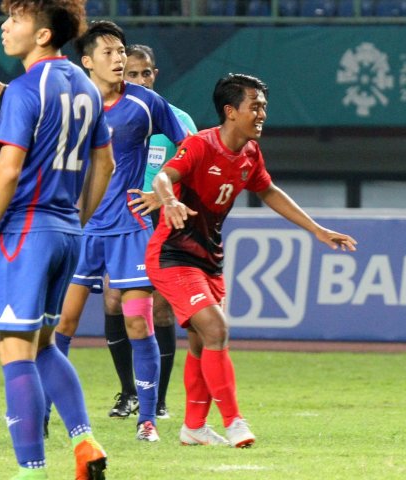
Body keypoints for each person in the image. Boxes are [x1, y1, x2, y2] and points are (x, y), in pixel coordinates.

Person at [147, 73, 358, 447]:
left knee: (201, 343)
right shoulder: (199, 145)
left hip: (210, 259)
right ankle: (234, 422)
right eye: (255, 106)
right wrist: (169, 200)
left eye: (263, 106)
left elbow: (269, 191)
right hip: (173, 255)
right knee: (216, 329)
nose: (262, 113)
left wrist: (316, 230)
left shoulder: (249, 153)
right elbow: (164, 177)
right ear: (230, 111)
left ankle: (193, 427)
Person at [0, 1, 114, 478]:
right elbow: (104, 163)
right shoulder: (87, 87)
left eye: (16, 19)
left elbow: (8, 171)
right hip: (66, 231)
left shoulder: (27, 89)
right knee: (45, 344)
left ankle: (31, 468)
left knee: (14, 348)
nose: (5, 27)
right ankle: (85, 441)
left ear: (43, 34)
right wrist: (77, 218)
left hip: (24, 231)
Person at [102, 43, 198, 420]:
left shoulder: (176, 118)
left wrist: (163, 198)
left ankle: (156, 400)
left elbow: (195, 163)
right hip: (120, 221)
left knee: (158, 310)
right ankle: (128, 392)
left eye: (146, 74)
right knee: (112, 300)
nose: (140, 80)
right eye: (132, 74)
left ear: (155, 75)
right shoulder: (110, 115)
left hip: (162, 221)